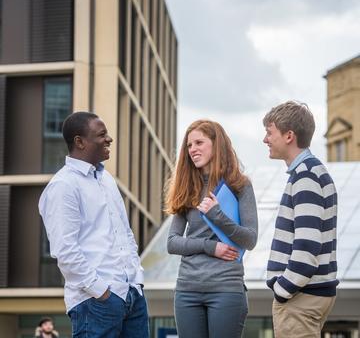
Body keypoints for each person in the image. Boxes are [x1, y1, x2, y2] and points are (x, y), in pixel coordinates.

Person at [39, 112, 149, 338]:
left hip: (131, 296)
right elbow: (65, 250)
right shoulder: (63, 186)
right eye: (102, 135)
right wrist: (101, 291)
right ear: (80, 142)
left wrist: (136, 280)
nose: (109, 139)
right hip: (95, 303)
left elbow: (125, 234)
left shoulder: (106, 179)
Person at [166, 119, 258, 338]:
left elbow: (250, 239)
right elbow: (172, 242)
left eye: (199, 143)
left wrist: (216, 215)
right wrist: (209, 247)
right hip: (187, 290)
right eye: (189, 146)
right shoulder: (187, 187)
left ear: (216, 145)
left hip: (226, 288)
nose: (192, 150)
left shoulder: (240, 185)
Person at [262, 101, 338, 338]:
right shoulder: (311, 172)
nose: (265, 139)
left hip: (300, 298)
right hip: (307, 295)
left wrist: (283, 289)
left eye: (269, 132)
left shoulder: (305, 175)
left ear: (289, 136)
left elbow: (307, 246)